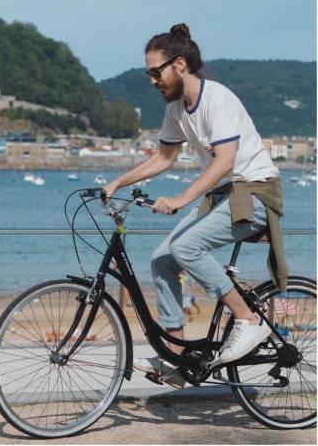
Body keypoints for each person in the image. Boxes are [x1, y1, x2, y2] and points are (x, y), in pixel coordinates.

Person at [103, 23, 285, 389]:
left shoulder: (217, 99)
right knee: (162, 258)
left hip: (254, 192)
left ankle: (248, 319)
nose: (152, 80)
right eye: (149, 73)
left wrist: (182, 199)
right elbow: (163, 157)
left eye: (156, 71)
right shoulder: (176, 110)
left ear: (180, 64)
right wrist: (118, 181)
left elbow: (224, 162)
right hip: (222, 197)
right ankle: (179, 356)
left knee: (186, 246)